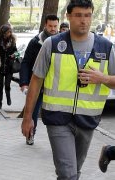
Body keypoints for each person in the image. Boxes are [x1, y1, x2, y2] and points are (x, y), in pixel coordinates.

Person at [21, 0, 115, 179]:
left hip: (88, 120)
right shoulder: (52, 44)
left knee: (75, 171)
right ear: (69, 16)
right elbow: (36, 80)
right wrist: (28, 118)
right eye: (78, 15)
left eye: (87, 15)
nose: (84, 20)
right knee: (67, 173)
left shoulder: (106, 47)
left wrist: (102, 78)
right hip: (57, 118)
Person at [19, 14, 59, 145]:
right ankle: (30, 134)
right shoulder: (36, 42)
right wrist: (24, 83)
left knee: (56, 113)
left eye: (55, 26)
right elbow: (25, 62)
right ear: (45, 26)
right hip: (37, 84)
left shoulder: (61, 42)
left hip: (54, 85)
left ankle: (59, 139)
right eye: (50, 26)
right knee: (32, 111)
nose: (53, 29)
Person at [0, 24, 17, 108]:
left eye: (10, 32)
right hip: (0, 67)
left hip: (9, 67)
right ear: (3, 33)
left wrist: (14, 55)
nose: (10, 33)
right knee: (0, 87)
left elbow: (17, 52)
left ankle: (8, 97)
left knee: (7, 85)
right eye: (8, 32)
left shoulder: (12, 41)